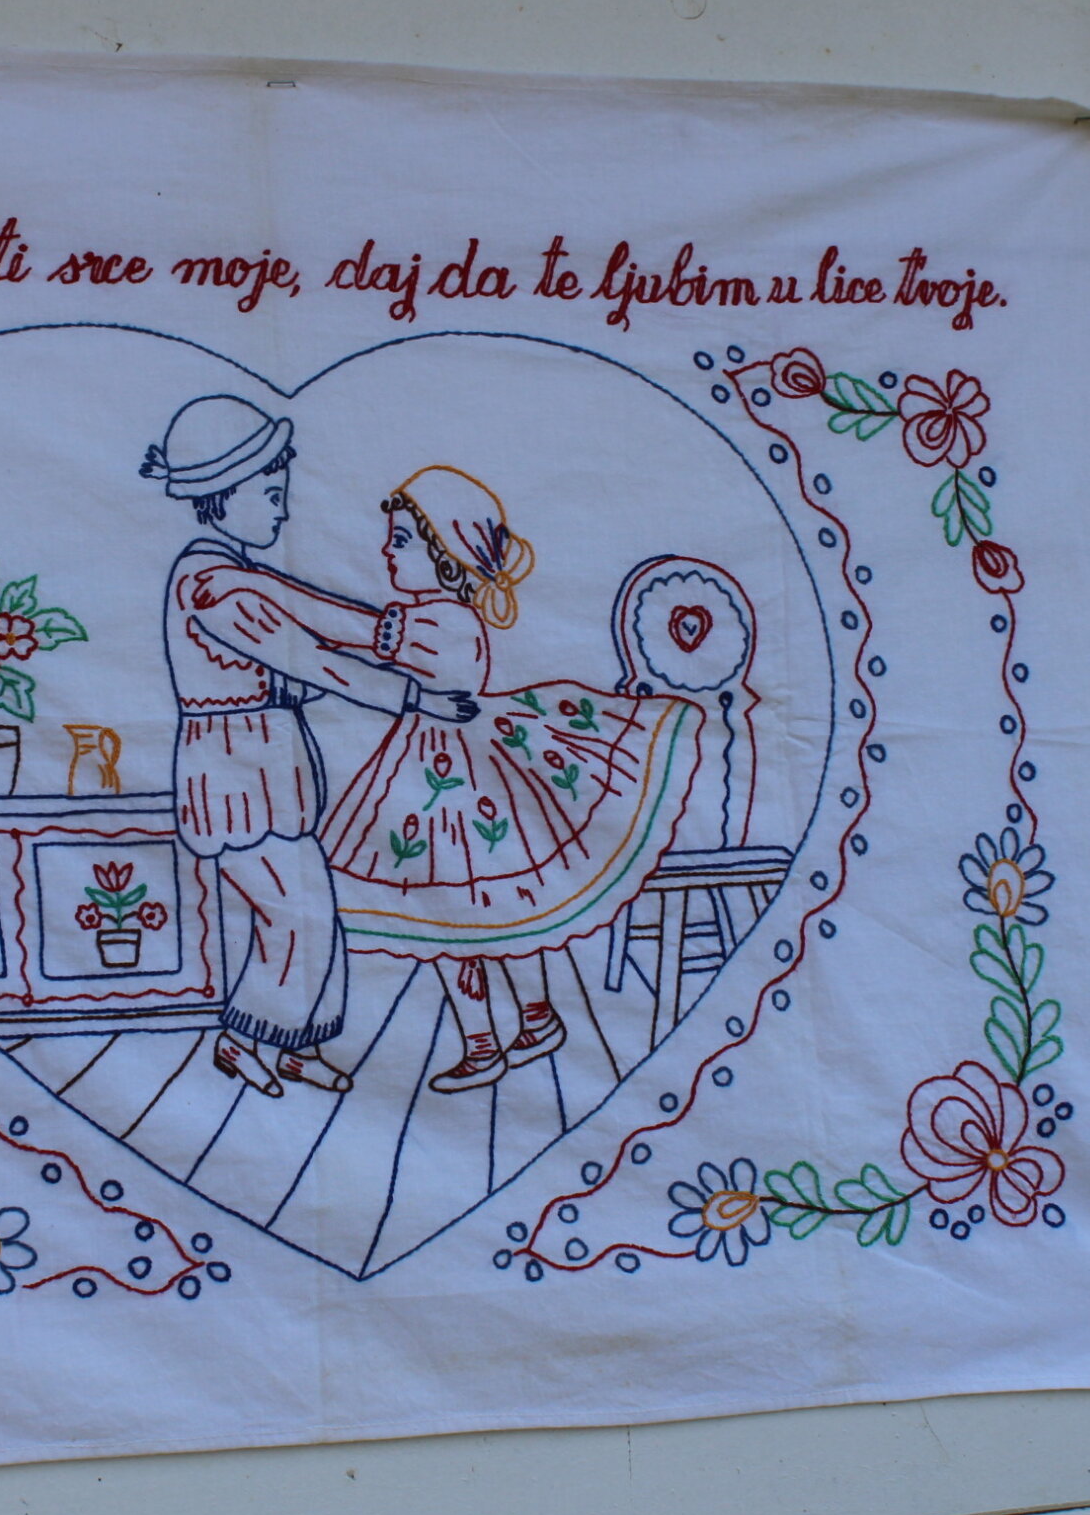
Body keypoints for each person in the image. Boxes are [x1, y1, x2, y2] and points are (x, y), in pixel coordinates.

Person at [192, 465, 703, 1093]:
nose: (386, 551)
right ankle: (529, 1021)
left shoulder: (441, 622)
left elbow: (344, 627)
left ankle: (489, 1042)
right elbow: (346, 640)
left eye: (403, 540)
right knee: (494, 903)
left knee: (450, 911)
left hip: (449, 783)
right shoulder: (435, 616)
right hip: (449, 771)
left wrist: (260, 585)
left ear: (448, 554)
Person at [144, 397, 479, 1099]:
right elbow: (306, 653)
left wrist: (395, 632)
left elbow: (310, 607)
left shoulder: (237, 573)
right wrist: (412, 693)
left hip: (267, 762)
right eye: (271, 495)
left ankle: (296, 1046)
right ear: (224, 494)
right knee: (293, 914)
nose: (284, 510)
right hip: (232, 772)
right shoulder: (211, 586)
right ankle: (241, 1040)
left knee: (311, 908)